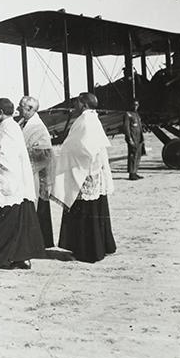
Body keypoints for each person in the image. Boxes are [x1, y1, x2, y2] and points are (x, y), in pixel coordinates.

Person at [0, 98, 45, 274]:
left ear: (1, 112)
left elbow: (6, 159)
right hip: (13, 186)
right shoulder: (9, 127)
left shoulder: (7, 130)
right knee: (14, 224)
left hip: (7, 186)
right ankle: (20, 258)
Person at [52, 92, 116, 263]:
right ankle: (102, 246)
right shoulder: (93, 119)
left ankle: (87, 251)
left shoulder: (85, 121)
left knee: (85, 212)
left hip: (84, 174)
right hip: (94, 171)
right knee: (96, 209)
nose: (75, 106)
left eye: (77, 103)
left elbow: (81, 148)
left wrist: (63, 150)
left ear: (84, 105)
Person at [17, 95, 55, 248]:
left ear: (30, 109)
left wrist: (24, 161)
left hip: (36, 175)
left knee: (37, 208)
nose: (18, 108)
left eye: (21, 106)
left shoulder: (38, 127)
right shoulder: (22, 122)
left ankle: (39, 243)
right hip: (26, 173)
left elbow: (45, 154)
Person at [123, 100, 144, 180]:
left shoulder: (136, 114)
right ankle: (131, 173)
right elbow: (126, 128)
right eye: (134, 104)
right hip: (133, 138)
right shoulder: (128, 114)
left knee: (138, 155)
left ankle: (135, 172)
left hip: (139, 138)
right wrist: (129, 138)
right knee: (132, 155)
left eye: (137, 105)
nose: (136, 106)